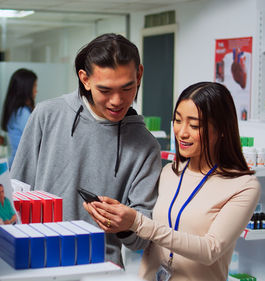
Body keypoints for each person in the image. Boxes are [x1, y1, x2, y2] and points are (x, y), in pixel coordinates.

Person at [10, 33, 162, 267]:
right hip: (36, 263)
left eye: (127, 88)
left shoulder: (146, 146)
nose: (117, 100)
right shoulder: (47, 115)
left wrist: (126, 224)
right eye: (105, 90)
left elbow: (140, 239)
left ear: (139, 74)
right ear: (85, 79)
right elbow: (17, 194)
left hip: (100, 269)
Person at [84, 82, 261, 281]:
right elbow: (149, 235)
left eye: (194, 125)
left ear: (221, 129)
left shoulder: (243, 186)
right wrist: (122, 223)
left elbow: (210, 250)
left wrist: (137, 221)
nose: (182, 132)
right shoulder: (169, 172)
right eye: (177, 120)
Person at [1, 68, 38, 168]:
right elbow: (37, 138)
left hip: (15, 165)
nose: (36, 90)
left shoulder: (15, 111)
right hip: (21, 167)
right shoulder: (22, 113)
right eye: (34, 86)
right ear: (26, 88)